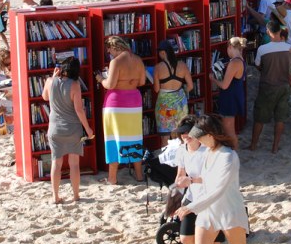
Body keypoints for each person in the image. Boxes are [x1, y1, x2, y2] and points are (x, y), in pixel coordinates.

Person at [175, 114, 266, 244]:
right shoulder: (208, 152)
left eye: (201, 135)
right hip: (208, 211)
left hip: (229, 210)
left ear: (212, 134)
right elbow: (205, 182)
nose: (198, 139)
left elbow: (218, 190)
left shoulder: (229, 156)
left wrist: (190, 207)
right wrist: (189, 183)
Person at [173, 116, 224, 244]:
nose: (185, 136)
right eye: (182, 134)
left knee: (214, 240)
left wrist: (192, 180)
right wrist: (180, 181)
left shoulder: (207, 151)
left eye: (188, 133)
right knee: (185, 237)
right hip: (191, 196)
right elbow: (180, 173)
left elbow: (214, 177)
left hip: (208, 197)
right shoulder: (182, 150)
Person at [42, 57, 94, 204]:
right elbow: (79, 110)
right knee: (74, 164)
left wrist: (53, 76)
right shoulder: (75, 85)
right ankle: (76, 195)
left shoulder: (49, 81)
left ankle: (55, 196)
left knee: (56, 163)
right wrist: (88, 129)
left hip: (54, 128)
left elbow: (45, 97)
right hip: (72, 128)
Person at [95, 36, 146, 184]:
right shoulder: (138, 60)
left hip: (117, 102)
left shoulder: (115, 62)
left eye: (109, 49)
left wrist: (100, 79)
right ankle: (139, 175)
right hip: (134, 101)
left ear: (115, 47)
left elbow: (110, 84)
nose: (109, 53)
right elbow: (142, 82)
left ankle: (112, 178)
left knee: (114, 137)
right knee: (135, 137)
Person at [250, 21, 291, 153]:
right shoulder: (289, 48)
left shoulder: (263, 49)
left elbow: (258, 65)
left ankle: (253, 145)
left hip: (267, 86)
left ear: (268, 31)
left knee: (260, 117)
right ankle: (275, 146)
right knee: (280, 118)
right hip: (284, 86)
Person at [209, 37, 247, 147]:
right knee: (229, 129)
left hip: (230, 99)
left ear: (230, 47)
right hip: (234, 96)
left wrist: (213, 79)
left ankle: (234, 155)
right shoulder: (240, 60)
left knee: (229, 131)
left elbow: (224, 85)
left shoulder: (234, 62)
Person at [154, 40, 194, 144]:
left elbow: (156, 89)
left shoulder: (158, 67)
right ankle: (181, 157)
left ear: (163, 52)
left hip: (164, 104)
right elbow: (190, 86)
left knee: (165, 136)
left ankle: (166, 160)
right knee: (180, 134)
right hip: (180, 104)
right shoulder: (182, 65)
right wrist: (181, 92)